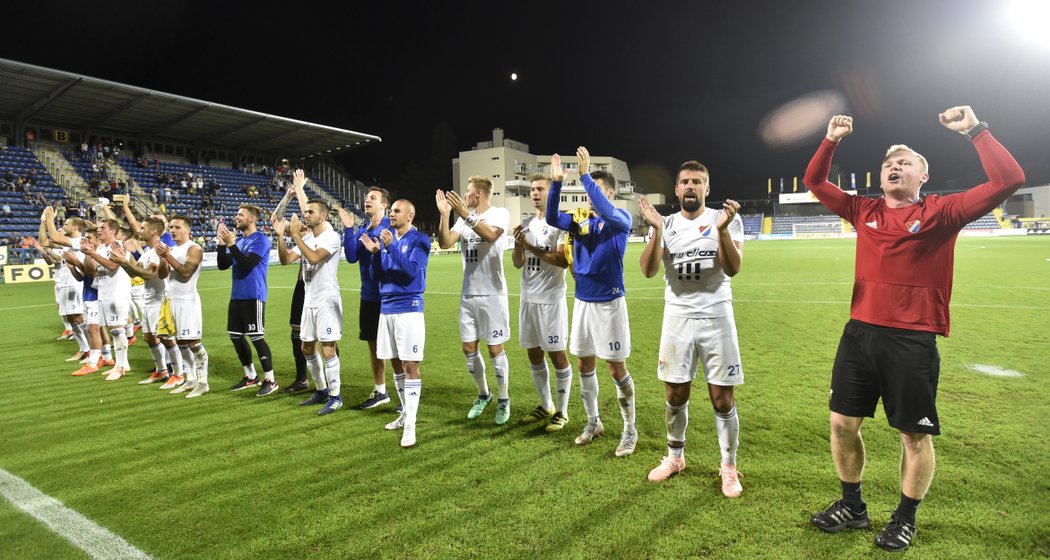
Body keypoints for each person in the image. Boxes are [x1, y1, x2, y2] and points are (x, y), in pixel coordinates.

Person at [803, 107, 1025, 551]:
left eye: (904, 162)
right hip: (859, 333)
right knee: (842, 423)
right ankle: (853, 506)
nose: (893, 167)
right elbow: (815, 182)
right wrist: (830, 141)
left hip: (911, 339)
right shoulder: (861, 209)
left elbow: (1009, 180)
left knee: (913, 434)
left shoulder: (943, 212)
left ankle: (905, 517)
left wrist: (975, 131)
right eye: (889, 163)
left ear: (924, 175)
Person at [638, 161, 745, 498]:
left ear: (706, 189)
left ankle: (728, 467)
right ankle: (674, 457)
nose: (690, 187)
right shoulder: (666, 223)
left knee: (722, 397)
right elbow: (648, 270)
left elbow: (734, 267)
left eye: (697, 182)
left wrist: (723, 231)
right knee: (674, 393)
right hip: (678, 319)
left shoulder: (722, 219)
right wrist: (656, 230)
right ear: (676, 189)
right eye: (684, 181)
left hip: (717, 318)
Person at [546, 147, 636, 456]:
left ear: (609, 193)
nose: (589, 197)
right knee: (584, 363)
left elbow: (608, 212)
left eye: (595, 191)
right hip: (582, 301)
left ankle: (629, 428)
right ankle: (593, 421)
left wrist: (585, 176)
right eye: (588, 192)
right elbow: (551, 217)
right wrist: (556, 183)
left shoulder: (620, 218)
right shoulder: (581, 221)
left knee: (615, 369)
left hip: (609, 303)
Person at [435, 177, 513, 425]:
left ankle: (503, 398)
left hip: (492, 293)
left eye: (467, 192)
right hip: (468, 293)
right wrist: (445, 215)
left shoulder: (499, 213)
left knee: (494, 349)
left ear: (478, 193)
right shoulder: (461, 217)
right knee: (469, 348)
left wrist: (463, 214)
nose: (464, 195)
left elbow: (490, 235)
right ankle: (484, 394)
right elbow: (446, 242)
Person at [358, 199, 431, 447]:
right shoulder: (387, 240)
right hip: (386, 308)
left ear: (410, 215)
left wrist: (391, 249)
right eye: (391, 211)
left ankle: (410, 424)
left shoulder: (420, 240)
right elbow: (376, 277)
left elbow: (411, 271)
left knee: (410, 365)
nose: (392, 214)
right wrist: (376, 256)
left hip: (408, 308)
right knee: (396, 364)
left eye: (396, 211)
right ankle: (404, 414)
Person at [511, 173, 572, 432]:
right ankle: (545, 405)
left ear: (551, 192)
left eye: (540, 189)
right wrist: (518, 245)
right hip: (528, 298)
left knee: (557, 355)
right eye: (532, 190)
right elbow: (517, 262)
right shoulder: (526, 224)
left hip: (550, 299)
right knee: (534, 354)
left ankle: (562, 411)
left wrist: (531, 247)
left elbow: (562, 260)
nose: (534, 193)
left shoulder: (560, 224)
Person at [272, 197, 344, 415]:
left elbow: (313, 258)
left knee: (328, 349)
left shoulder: (331, 237)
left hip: (326, 300)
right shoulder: (309, 237)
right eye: (306, 211)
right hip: (309, 300)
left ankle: (336, 397)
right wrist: (280, 236)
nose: (306, 214)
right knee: (306, 347)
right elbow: (286, 260)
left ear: (323, 216)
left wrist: (294, 234)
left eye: (311, 212)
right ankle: (321, 390)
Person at [339, 186, 395, 410]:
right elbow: (352, 257)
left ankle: (403, 394)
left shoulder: (389, 227)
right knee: (373, 345)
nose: (367, 201)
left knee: (395, 348)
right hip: (368, 296)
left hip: (389, 296)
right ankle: (381, 391)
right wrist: (349, 229)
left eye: (373, 198)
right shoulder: (363, 228)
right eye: (366, 198)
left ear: (384, 205)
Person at [217, 204, 278, 396]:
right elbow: (222, 265)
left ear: (251, 219)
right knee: (235, 336)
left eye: (240, 215)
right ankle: (250, 376)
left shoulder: (261, 239)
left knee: (257, 337)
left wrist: (231, 244)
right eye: (236, 214)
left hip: (254, 295)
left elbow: (247, 264)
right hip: (237, 296)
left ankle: (270, 379)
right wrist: (221, 245)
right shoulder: (240, 241)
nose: (236, 217)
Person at [113, 218, 179, 386]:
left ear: (153, 232)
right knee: (149, 337)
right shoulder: (149, 252)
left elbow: (150, 275)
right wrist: (123, 260)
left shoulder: (159, 250)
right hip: (149, 299)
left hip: (161, 299)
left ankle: (178, 373)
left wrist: (125, 262)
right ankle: (162, 371)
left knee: (165, 338)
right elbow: (136, 273)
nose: (139, 231)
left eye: (143, 228)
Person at [155, 216, 210, 398]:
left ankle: (203, 382)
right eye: (171, 227)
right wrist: (163, 259)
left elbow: (186, 273)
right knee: (179, 342)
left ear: (187, 230)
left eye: (177, 227)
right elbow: (162, 275)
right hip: (171, 300)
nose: (173, 230)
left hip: (187, 300)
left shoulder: (194, 248)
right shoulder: (173, 249)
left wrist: (167, 256)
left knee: (193, 342)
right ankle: (191, 378)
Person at [79, 218, 133, 381]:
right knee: (113, 330)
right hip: (103, 292)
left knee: (117, 330)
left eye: (102, 227)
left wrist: (92, 253)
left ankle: (120, 367)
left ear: (113, 231)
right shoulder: (101, 248)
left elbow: (112, 266)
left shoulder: (119, 246)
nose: (98, 230)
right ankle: (122, 364)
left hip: (117, 293)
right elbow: (91, 271)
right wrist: (88, 254)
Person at [272, 174, 311, 393]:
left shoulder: (317, 232)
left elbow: (307, 213)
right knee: (296, 335)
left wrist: (299, 189)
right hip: (301, 287)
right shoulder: (302, 232)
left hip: (319, 289)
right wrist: (288, 197)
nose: (306, 216)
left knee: (323, 338)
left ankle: (331, 382)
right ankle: (302, 379)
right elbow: (276, 221)